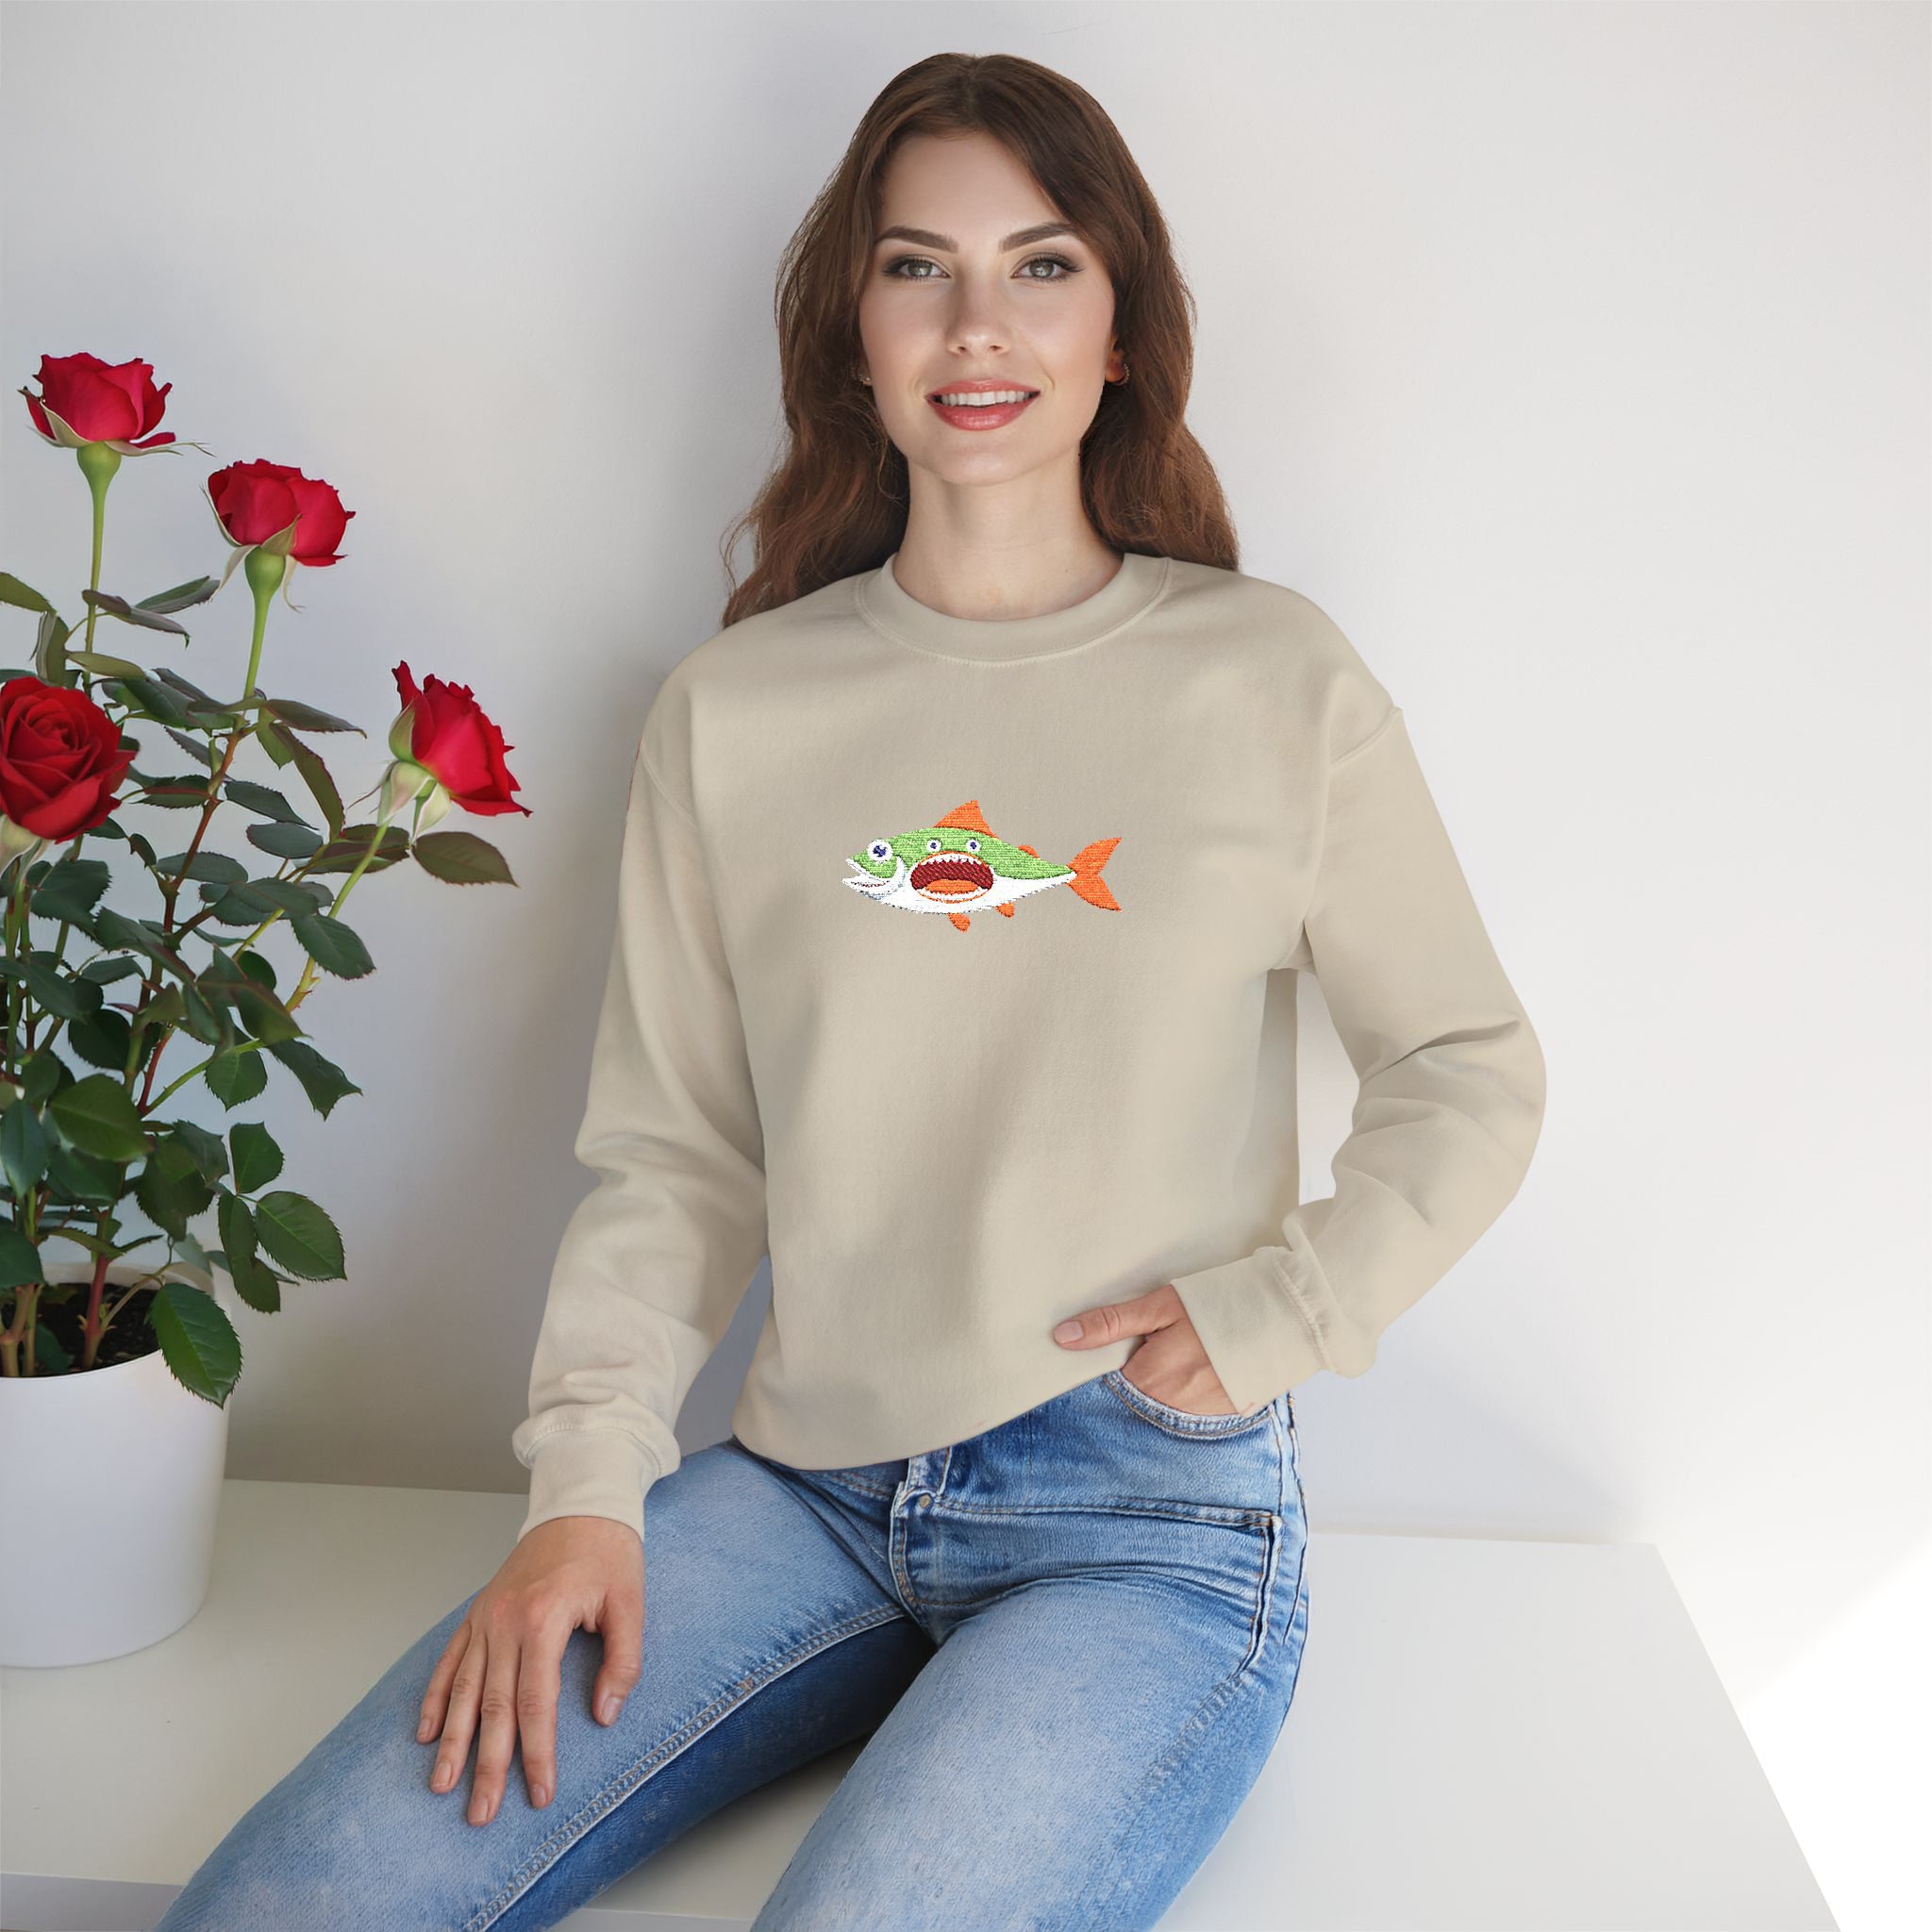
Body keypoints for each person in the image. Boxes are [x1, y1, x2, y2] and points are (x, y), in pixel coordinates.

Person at [157, 49, 1546, 1932]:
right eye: (918, 267)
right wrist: (585, 1485)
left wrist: (1290, 1301)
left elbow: (1466, 1065)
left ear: (1121, 322)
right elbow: (677, 1159)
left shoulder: (1273, 680)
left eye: (1040, 264)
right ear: (853, 329)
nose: (978, 322)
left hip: (1143, 1527)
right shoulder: (734, 712)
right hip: (804, 1487)